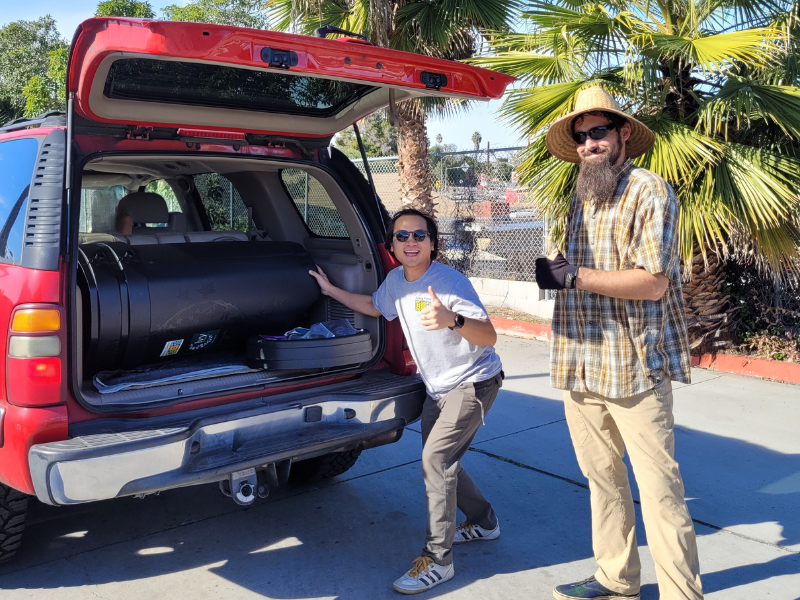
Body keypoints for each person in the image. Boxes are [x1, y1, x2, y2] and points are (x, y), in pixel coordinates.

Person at [534, 87, 703, 600]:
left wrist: (576, 276)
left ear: (623, 132)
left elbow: (653, 282)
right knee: (603, 480)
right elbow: (572, 270)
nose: (589, 143)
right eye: (581, 136)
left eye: (599, 131)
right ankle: (615, 577)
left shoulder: (649, 191)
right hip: (580, 361)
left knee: (659, 492)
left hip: (633, 365)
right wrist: (555, 270)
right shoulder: (579, 194)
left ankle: (682, 594)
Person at [309, 208, 503, 595]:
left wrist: (453, 320)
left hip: (474, 383)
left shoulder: (450, 282)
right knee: (443, 461)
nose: (410, 243)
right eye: (402, 236)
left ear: (433, 243)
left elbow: (489, 336)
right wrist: (331, 292)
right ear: (391, 245)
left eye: (419, 235)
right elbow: (375, 306)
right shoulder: (396, 280)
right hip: (438, 388)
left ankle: (437, 561)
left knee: (436, 460)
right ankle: (484, 522)